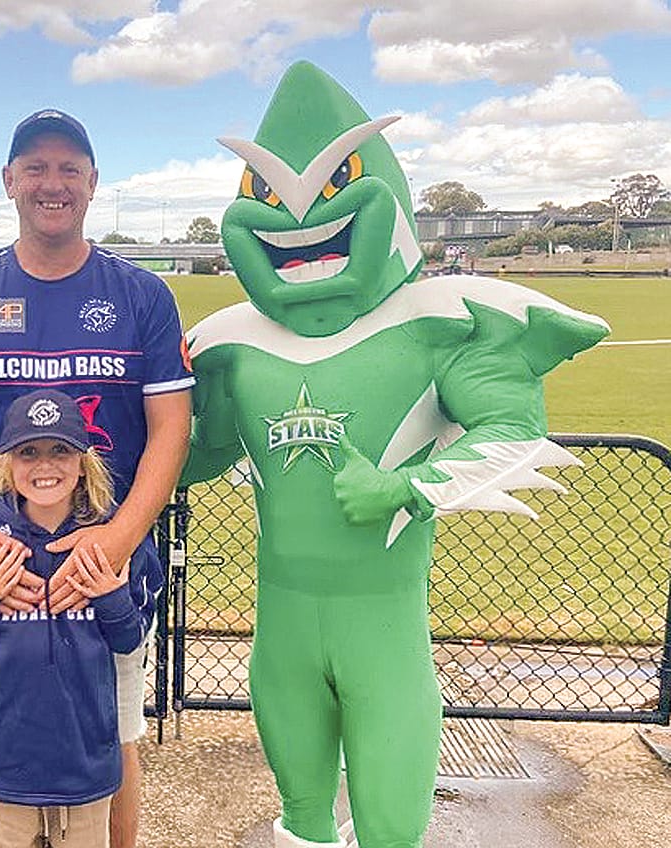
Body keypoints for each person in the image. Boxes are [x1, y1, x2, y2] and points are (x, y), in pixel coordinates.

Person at [182, 61, 608, 848]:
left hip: (384, 618)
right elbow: (194, 453)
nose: (299, 218)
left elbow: (511, 429)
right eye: (268, 196)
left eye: (332, 184)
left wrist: (406, 486)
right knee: (299, 801)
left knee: (389, 815)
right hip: (279, 618)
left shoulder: (438, 320)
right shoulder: (228, 341)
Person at [0, 108, 193, 848]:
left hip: (108, 578)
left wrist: (115, 545)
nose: (51, 183)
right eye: (35, 167)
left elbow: (171, 430)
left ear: (93, 183)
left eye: (68, 168)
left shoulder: (141, 296)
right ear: (8, 181)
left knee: (115, 745)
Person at [0, 388, 163, 848]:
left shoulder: (112, 535)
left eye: (60, 450)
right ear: (6, 461)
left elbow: (129, 638)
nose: (45, 466)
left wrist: (111, 595)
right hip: (7, 753)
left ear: (83, 460)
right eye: (29, 452)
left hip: (85, 756)